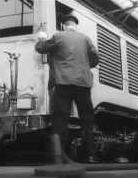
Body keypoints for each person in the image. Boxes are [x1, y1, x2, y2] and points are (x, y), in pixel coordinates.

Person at [35, 14, 99, 163]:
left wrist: (41, 37)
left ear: (63, 25)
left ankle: (58, 157)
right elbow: (95, 59)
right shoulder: (85, 39)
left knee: (61, 120)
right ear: (75, 26)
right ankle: (90, 155)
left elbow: (40, 48)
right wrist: (82, 66)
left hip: (63, 83)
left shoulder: (58, 36)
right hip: (83, 84)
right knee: (87, 120)